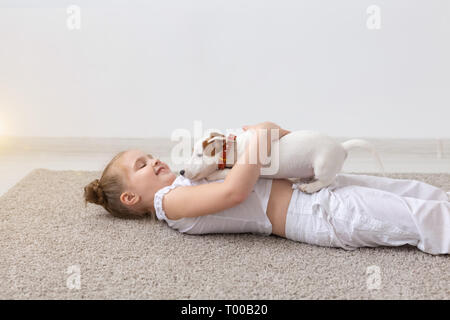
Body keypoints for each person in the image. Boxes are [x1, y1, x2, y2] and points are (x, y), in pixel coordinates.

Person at [84, 121, 450, 255]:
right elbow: (234, 193)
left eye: (149, 155)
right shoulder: (170, 203)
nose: (153, 161)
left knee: (408, 190)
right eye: (142, 165)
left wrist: (255, 137)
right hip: (316, 215)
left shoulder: (187, 177)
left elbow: (251, 156)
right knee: (411, 218)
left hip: (310, 184)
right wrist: (256, 144)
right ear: (131, 197)